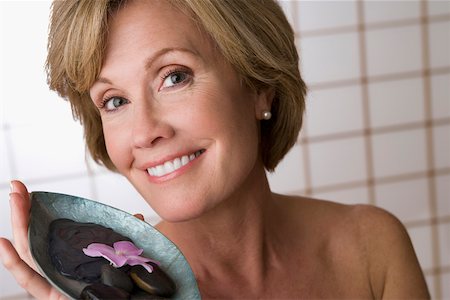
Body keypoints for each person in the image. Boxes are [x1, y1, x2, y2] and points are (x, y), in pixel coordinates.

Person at [0, 0, 430, 298]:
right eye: (115, 101)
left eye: (174, 77)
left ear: (259, 86)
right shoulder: (111, 293)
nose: (144, 132)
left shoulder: (372, 247)